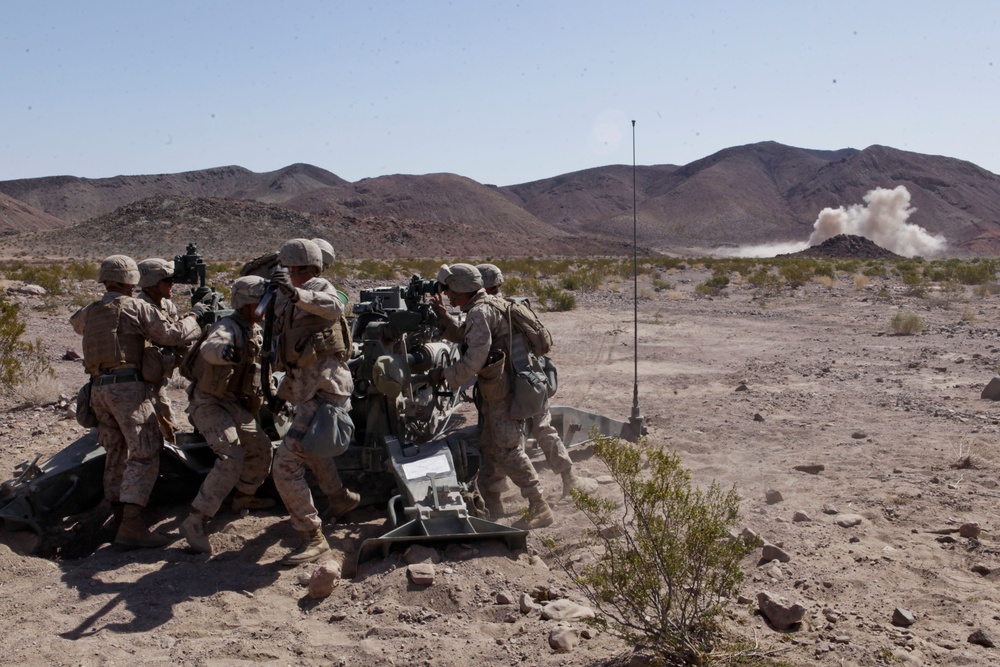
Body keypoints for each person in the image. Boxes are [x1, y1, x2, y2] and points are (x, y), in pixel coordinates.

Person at [70, 255, 207, 547]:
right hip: (128, 390)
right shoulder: (135, 306)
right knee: (144, 452)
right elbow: (173, 334)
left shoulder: (91, 310)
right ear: (131, 280)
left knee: (116, 453)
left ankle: (120, 521)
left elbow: (77, 323)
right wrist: (195, 315)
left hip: (98, 391)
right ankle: (132, 526)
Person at [427, 264, 553, 528]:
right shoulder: (493, 304)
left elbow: (473, 361)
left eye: (451, 290)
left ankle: (539, 505)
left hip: (502, 392)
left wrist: (443, 375)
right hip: (508, 385)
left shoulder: (479, 312)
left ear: (462, 290)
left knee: (507, 448)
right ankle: (492, 503)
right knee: (488, 445)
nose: (448, 295)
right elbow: (468, 336)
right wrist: (443, 315)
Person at [268, 238, 359, 566]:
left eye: (296, 269)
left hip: (325, 389)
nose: (292, 275)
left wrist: (296, 293)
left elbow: (333, 305)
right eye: (289, 271)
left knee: (285, 465)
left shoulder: (319, 287)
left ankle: (313, 537)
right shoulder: (284, 294)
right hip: (306, 389)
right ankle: (340, 499)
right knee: (313, 450)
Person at [179, 275, 276, 555]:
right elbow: (212, 347)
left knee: (260, 448)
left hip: (234, 403)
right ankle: (196, 520)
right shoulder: (228, 326)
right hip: (209, 403)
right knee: (231, 455)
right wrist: (227, 351)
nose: (266, 309)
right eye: (262, 303)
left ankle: (244, 497)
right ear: (248, 305)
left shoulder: (253, 329)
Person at [476, 263, 583, 497]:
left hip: (507, 385)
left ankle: (496, 489)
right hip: (533, 380)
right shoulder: (517, 305)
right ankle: (569, 477)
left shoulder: (487, 312)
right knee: (544, 429)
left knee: (500, 438)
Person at [136, 258, 183, 443]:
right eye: (167, 280)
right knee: (155, 428)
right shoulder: (141, 308)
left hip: (158, 378)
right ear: (152, 283)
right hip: (142, 380)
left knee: (166, 420)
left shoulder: (167, 306)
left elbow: (178, 340)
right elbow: (170, 335)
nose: (172, 284)